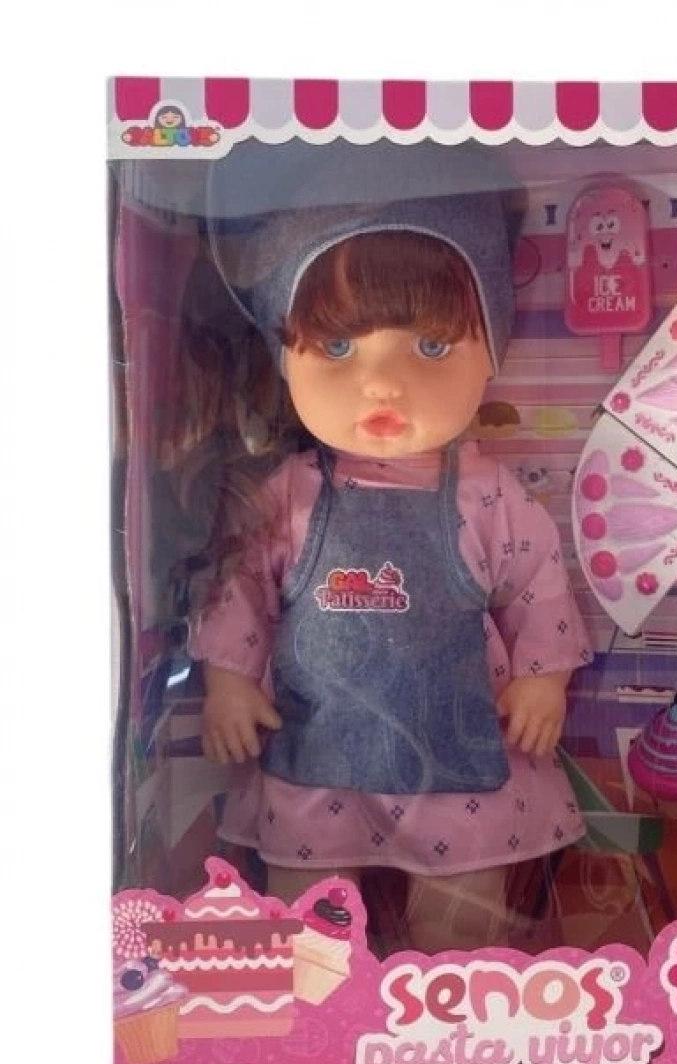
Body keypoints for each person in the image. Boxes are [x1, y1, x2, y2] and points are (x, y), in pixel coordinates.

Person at [190, 141, 592, 953]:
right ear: (286, 357)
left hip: (456, 754)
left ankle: (458, 1006)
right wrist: (228, 681)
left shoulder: (489, 496)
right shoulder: (290, 495)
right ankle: (316, 1013)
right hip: (316, 750)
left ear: (490, 352)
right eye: (338, 347)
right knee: (309, 919)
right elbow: (239, 589)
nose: (382, 382)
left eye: (431, 347)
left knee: (463, 916)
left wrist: (544, 679)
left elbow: (538, 587)